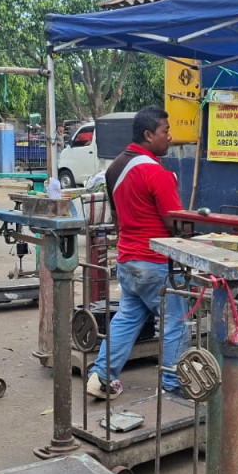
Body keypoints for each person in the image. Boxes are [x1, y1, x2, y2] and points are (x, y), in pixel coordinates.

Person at [86, 106, 188, 400]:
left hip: (128, 260)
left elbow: (118, 216)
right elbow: (175, 224)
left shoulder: (115, 167)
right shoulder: (156, 173)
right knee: (175, 322)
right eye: (165, 132)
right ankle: (173, 387)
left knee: (128, 317)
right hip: (155, 263)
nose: (170, 137)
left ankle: (102, 377)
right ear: (148, 135)